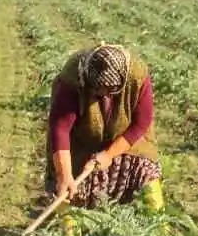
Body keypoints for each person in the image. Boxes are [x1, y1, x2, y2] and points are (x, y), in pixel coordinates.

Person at [46, 42, 163, 212]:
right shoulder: (72, 78)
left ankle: (159, 229)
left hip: (127, 136)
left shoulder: (137, 75)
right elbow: (60, 128)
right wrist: (64, 176)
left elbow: (141, 123)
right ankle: (69, 235)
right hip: (81, 137)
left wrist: (109, 154)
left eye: (111, 91)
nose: (105, 96)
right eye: (98, 91)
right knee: (67, 189)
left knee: (147, 176)